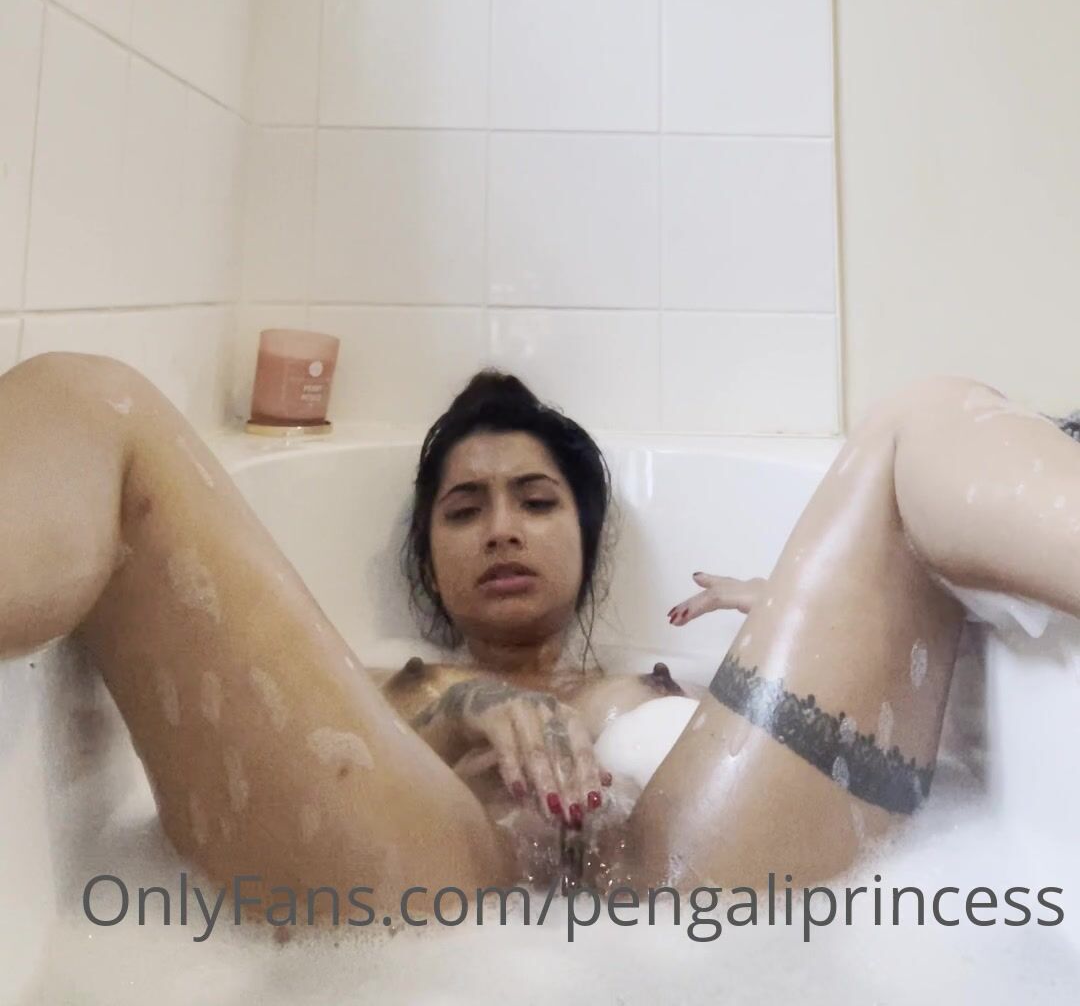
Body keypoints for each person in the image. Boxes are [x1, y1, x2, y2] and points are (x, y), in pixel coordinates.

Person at [1, 349, 1078, 918]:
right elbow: (325, 747)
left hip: (692, 879)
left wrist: (811, 617)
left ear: (586, 538)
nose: (501, 527)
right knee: (93, 399)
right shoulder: (379, 686)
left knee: (922, 416)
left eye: (536, 499)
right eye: (463, 509)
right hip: (419, 888)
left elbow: (813, 749)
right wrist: (470, 699)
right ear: (428, 559)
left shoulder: (671, 684)